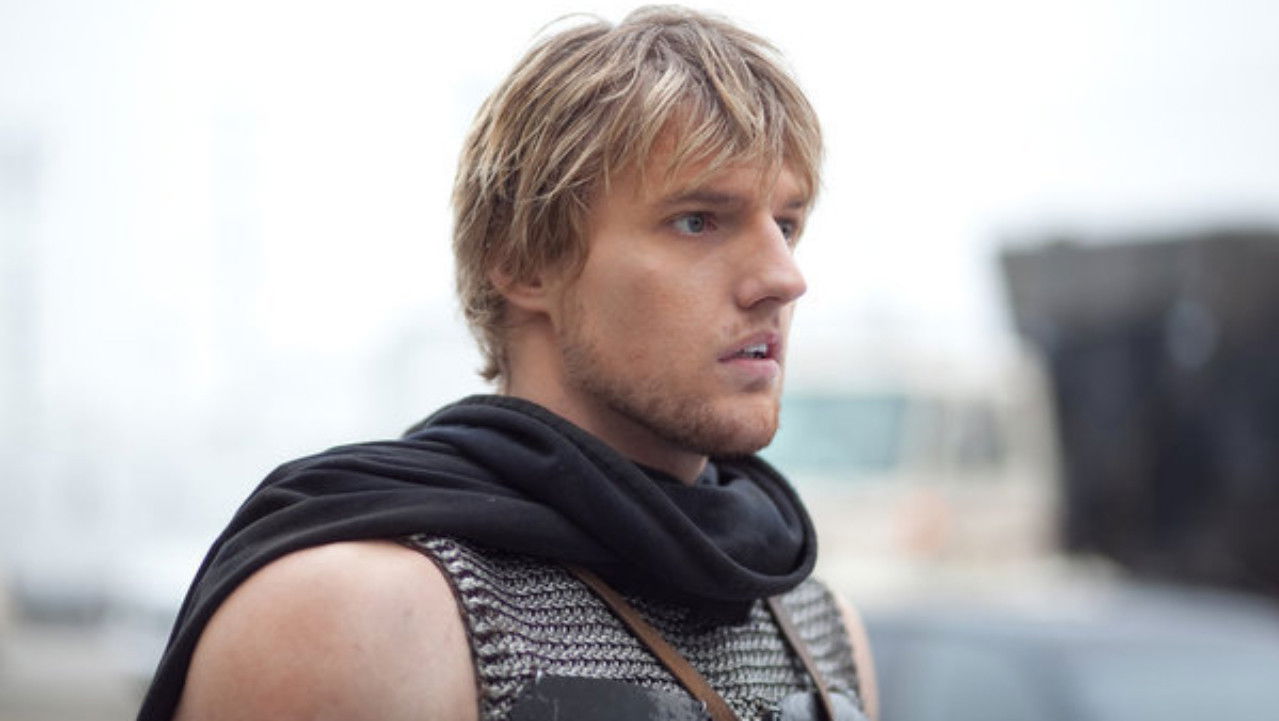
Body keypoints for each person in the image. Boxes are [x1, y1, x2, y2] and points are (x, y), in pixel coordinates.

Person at [138, 6, 878, 721]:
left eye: (786, 225)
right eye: (697, 221)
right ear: (526, 263)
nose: (783, 278)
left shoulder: (817, 630)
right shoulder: (356, 615)